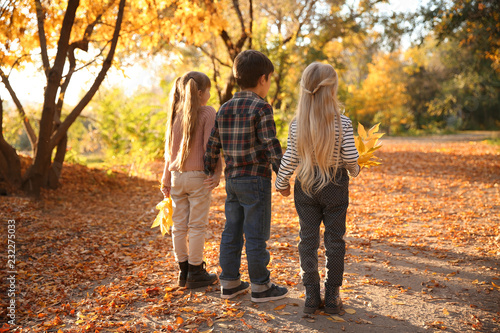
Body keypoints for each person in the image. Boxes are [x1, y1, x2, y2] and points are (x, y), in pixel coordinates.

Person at [204, 50, 289, 302]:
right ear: (262, 79)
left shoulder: (225, 108)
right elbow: (271, 145)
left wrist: (208, 169)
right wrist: (282, 176)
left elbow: (213, 144)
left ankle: (229, 282)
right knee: (255, 233)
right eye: (270, 79)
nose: (270, 83)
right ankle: (260, 286)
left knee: (231, 230)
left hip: (233, 182)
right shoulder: (262, 107)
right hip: (256, 180)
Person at [275, 62, 360, 314]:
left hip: (306, 184)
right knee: (335, 240)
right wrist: (355, 171)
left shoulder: (296, 124)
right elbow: (350, 157)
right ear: (331, 90)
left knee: (307, 239)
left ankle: (311, 295)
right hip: (335, 184)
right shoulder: (343, 123)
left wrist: (281, 183)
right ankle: (332, 296)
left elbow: (290, 157)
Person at [160, 71, 222, 289]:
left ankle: (183, 271)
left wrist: (166, 178)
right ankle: (196, 272)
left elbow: (169, 151)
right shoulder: (207, 113)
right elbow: (210, 148)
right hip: (198, 178)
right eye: (208, 90)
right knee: (196, 226)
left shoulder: (175, 114)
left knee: (179, 227)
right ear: (199, 92)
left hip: (177, 177)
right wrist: (217, 172)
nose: (209, 94)